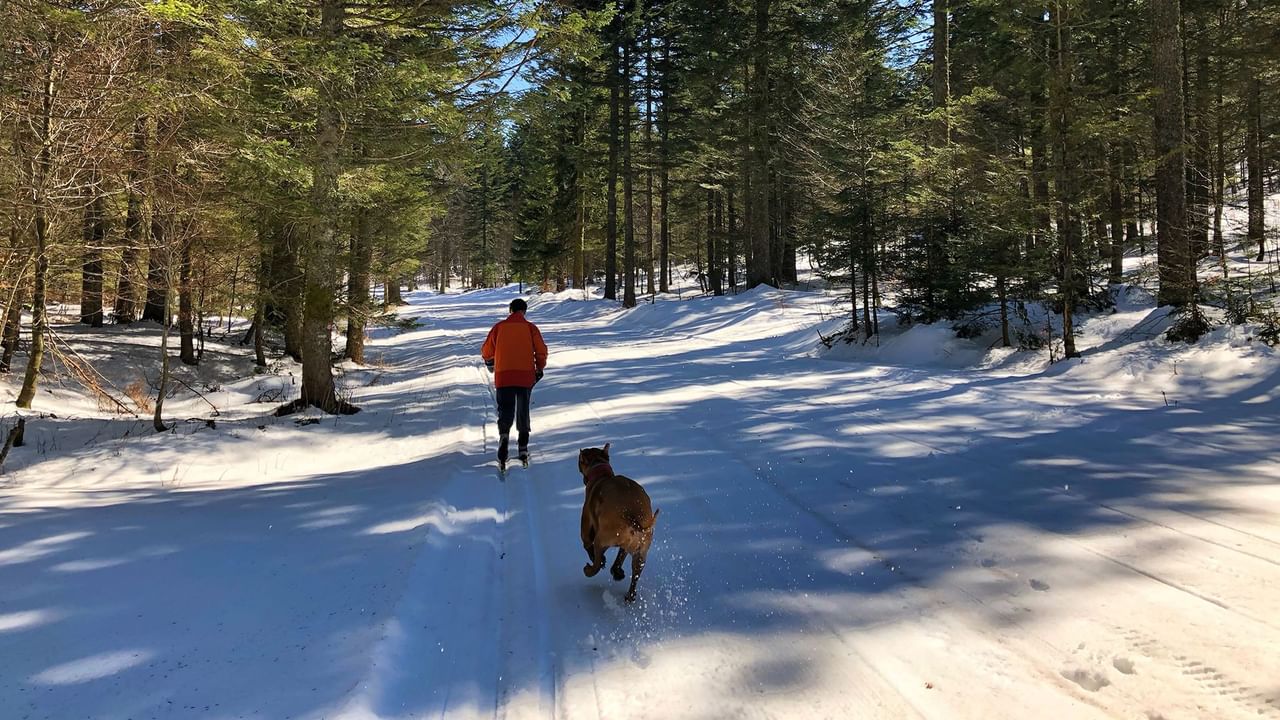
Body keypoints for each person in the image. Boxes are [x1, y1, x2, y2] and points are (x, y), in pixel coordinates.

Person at [481, 298, 548, 468]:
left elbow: (487, 350)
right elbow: (541, 350)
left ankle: (504, 436)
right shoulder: (530, 328)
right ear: (524, 311)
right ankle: (523, 446)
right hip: (525, 376)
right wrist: (539, 367)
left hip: (504, 376)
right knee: (523, 409)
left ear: (510, 310)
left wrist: (490, 361)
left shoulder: (499, 327)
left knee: (505, 408)